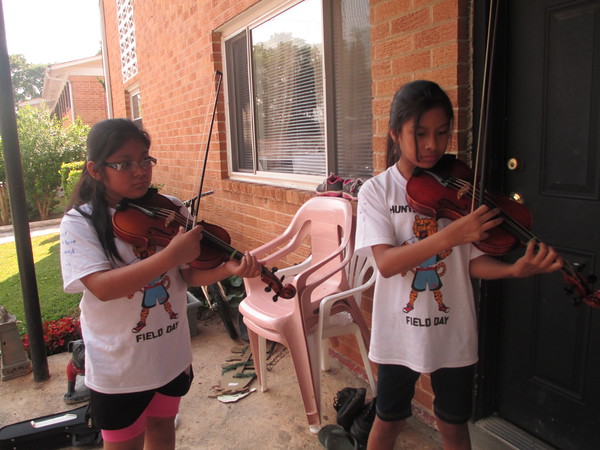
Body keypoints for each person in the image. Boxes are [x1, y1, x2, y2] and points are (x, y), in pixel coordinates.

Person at [354, 80, 563, 450]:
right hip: (397, 331)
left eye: (442, 132)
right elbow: (385, 263)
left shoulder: (459, 187)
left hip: (453, 331)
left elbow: (472, 262)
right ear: (395, 133)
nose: (433, 145)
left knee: (453, 425)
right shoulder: (376, 191)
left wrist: (513, 270)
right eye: (420, 133)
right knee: (389, 419)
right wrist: (448, 236)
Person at [59, 118, 262, 450]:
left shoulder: (169, 208)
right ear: (96, 170)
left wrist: (227, 268)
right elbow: (102, 288)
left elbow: (186, 276)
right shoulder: (80, 222)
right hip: (120, 367)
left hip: (169, 355)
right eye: (124, 163)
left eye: (145, 160)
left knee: (164, 433)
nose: (140, 171)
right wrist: (169, 255)